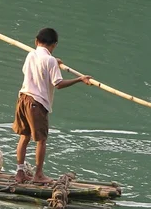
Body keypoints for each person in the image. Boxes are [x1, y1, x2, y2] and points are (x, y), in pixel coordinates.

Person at [12, 27, 92, 184]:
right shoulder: (50, 61)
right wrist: (80, 79)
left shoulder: (31, 55)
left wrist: (54, 63)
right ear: (54, 44)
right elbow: (59, 84)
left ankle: (20, 172)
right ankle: (38, 175)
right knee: (41, 140)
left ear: (36, 41)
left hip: (22, 99)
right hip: (36, 103)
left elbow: (36, 69)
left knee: (24, 136)